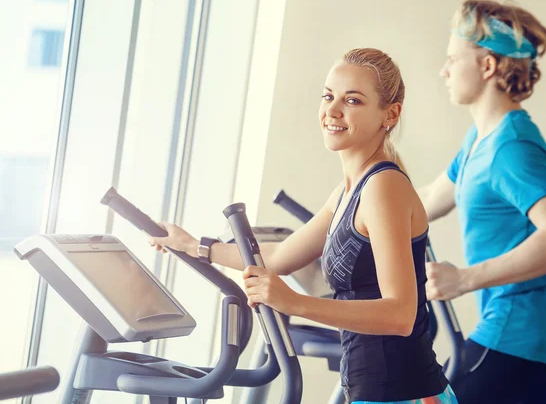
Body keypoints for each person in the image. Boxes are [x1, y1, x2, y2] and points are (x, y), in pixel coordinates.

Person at [149, 48, 457, 404]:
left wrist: (294, 302)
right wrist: (195, 246)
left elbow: (400, 313)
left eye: (353, 100)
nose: (333, 111)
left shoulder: (384, 187)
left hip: (406, 395)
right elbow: (279, 257)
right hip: (375, 392)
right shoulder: (350, 190)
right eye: (328, 96)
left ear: (390, 114)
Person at [420, 0, 546, 404]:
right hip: (540, 338)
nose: (443, 70)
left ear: (488, 66)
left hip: (522, 333)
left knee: (430, 398)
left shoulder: (511, 147)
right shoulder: (479, 141)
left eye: (452, 59)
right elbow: (424, 202)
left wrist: (463, 279)